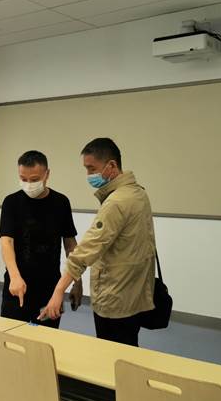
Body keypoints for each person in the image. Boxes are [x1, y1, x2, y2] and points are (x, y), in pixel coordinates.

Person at [40, 138, 155, 346]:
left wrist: (58, 291)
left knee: (111, 353)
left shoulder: (117, 202)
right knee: (128, 349)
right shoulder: (138, 193)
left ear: (111, 165)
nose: (88, 175)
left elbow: (86, 250)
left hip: (115, 297)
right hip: (133, 293)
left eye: (91, 168)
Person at [0, 150, 80, 329]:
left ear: (47, 174)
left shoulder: (61, 202)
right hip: (17, 285)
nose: (28, 184)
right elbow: (6, 242)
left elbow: (70, 245)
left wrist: (77, 282)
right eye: (23, 179)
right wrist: (14, 276)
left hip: (51, 289)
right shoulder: (11, 202)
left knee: (46, 338)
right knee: (10, 336)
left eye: (34, 179)